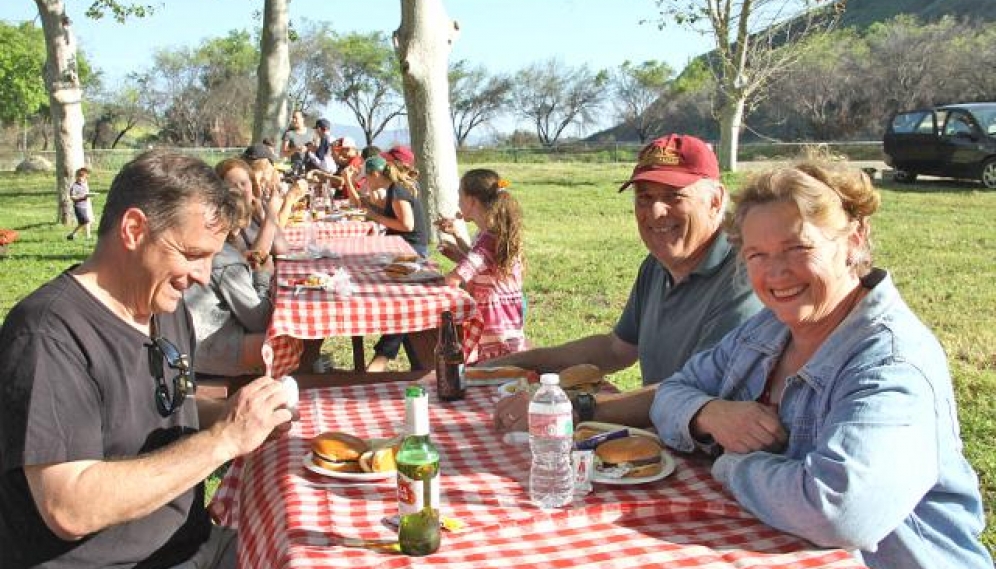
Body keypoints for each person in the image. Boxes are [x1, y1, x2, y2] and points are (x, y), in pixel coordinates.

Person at [650, 161, 993, 569]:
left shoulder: (891, 362)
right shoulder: (767, 332)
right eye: (757, 254)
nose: (776, 273)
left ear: (854, 239)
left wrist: (733, 464)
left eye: (798, 248)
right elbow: (671, 392)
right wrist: (710, 414)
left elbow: (841, 510)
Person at [0, 150, 294, 568]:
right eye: (192, 254)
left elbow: (165, 409)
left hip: (192, 544)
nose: (203, 276)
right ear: (134, 229)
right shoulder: (47, 334)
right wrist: (224, 439)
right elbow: (68, 506)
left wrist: (233, 413)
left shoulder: (165, 311)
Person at [486, 134, 761, 426]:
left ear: (715, 201)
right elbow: (616, 349)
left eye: (673, 196)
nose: (655, 212)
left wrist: (570, 408)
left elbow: (695, 392)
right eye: (645, 198)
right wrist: (517, 361)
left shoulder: (745, 274)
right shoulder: (656, 266)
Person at [437, 169, 527, 361]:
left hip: (494, 328)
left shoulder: (488, 239)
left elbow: (454, 278)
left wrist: (433, 281)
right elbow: (483, 266)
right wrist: (459, 252)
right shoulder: (493, 233)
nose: (458, 202)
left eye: (460, 196)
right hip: (508, 322)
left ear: (472, 201)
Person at [185, 187, 274, 377]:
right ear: (238, 228)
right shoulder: (228, 261)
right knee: (288, 341)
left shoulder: (199, 246)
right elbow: (259, 320)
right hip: (206, 350)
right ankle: (302, 386)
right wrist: (263, 276)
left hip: (185, 340)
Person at [363, 155, 429, 372]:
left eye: (367, 177)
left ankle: (381, 359)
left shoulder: (398, 191)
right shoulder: (393, 190)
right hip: (401, 250)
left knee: (400, 304)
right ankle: (411, 362)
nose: (365, 181)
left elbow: (407, 225)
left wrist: (377, 218)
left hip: (412, 252)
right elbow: (382, 211)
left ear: (374, 175)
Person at [66, 166, 94, 240]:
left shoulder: (84, 184)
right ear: (76, 177)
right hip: (78, 207)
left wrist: (89, 195)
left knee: (82, 223)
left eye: (82, 177)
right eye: (78, 176)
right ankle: (87, 237)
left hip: (84, 206)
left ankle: (72, 235)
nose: (80, 178)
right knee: (86, 221)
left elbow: (86, 193)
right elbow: (72, 197)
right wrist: (82, 198)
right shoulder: (74, 186)